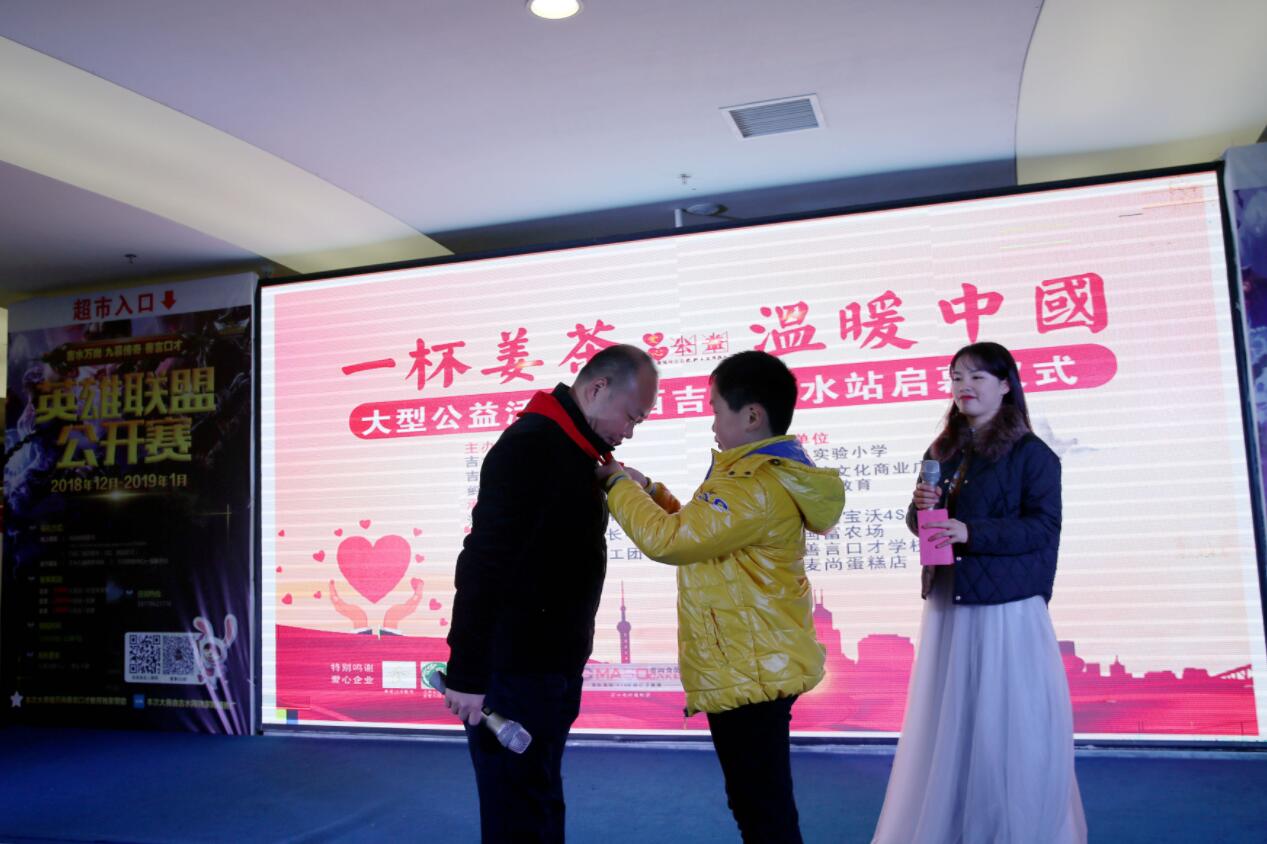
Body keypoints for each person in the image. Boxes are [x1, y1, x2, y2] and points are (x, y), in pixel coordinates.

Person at [597, 350, 845, 843]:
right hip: (755, 661)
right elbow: (701, 530)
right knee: (759, 802)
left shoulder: (752, 484)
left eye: (716, 411)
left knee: (761, 809)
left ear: (751, 416)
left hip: (747, 667)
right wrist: (648, 489)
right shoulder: (760, 476)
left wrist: (617, 484)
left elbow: (670, 541)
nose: (712, 425)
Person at [872, 341, 1087, 844]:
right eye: (956, 378)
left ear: (1006, 385)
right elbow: (923, 525)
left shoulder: (1032, 454)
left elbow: (1043, 528)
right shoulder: (941, 450)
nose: (963, 387)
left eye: (976, 377)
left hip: (1006, 608)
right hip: (950, 600)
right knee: (952, 722)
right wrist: (922, 509)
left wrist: (973, 532)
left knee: (1006, 725)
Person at [444, 344, 659, 843]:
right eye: (631, 417)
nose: (629, 432)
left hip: (551, 669)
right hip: (513, 671)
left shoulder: (580, 452)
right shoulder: (531, 446)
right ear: (598, 388)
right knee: (517, 809)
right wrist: (468, 671)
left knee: (538, 795)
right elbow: (484, 562)